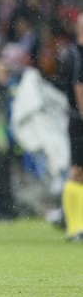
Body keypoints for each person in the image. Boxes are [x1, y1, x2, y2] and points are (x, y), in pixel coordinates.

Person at [58, 13, 83, 242]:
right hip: (79, 119)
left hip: (75, 117)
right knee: (76, 170)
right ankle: (74, 227)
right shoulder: (77, 54)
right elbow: (78, 85)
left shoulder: (72, 53)